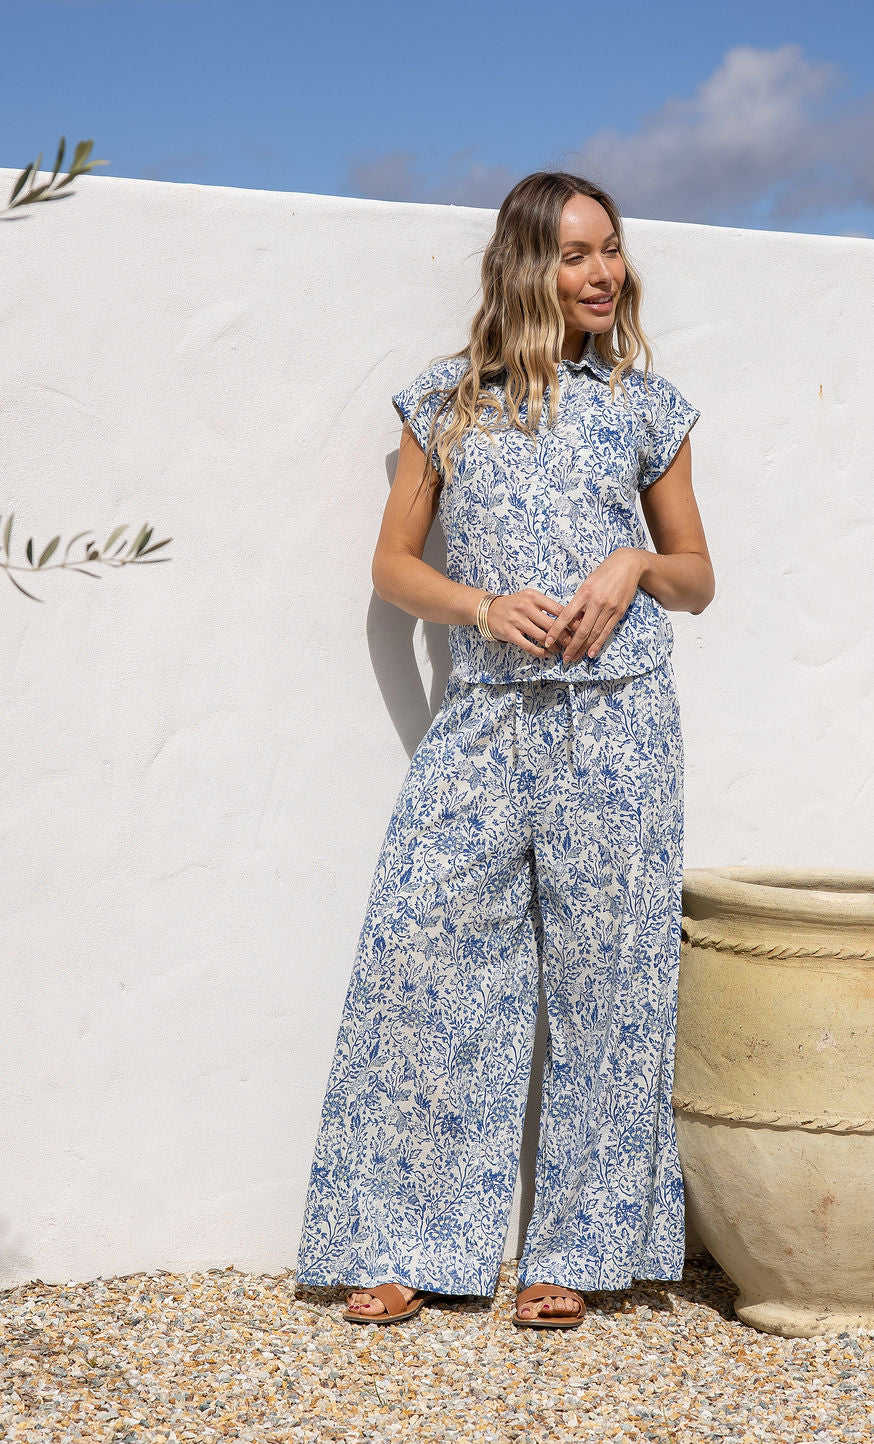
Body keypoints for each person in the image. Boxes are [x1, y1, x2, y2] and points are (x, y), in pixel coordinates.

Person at [294, 170, 715, 1330]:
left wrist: (632, 567)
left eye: (611, 251)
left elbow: (699, 579)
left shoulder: (646, 408)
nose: (601, 274)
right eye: (577, 253)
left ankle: (574, 1252)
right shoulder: (445, 403)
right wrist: (481, 608)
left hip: (619, 723)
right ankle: (411, 1244)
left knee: (611, 988)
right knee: (425, 968)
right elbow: (393, 566)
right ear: (525, 265)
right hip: (483, 719)